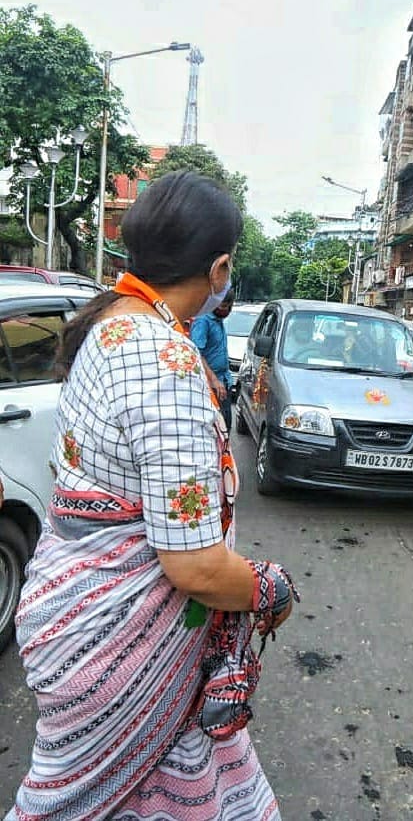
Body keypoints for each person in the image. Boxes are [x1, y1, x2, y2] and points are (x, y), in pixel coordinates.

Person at [7, 171, 298, 821]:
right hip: (115, 644)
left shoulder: (108, 325)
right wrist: (268, 586)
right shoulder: (164, 365)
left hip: (77, 613)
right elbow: (194, 568)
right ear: (219, 267)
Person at [190, 288, 234, 429]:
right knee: (217, 428)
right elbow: (196, 352)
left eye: (227, 307)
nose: (224, 310)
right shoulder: (203, 321)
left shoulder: (218, 321)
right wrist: (213, 380)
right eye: (221, 306)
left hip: (224, 380)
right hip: (211, 385)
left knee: (226, 425)